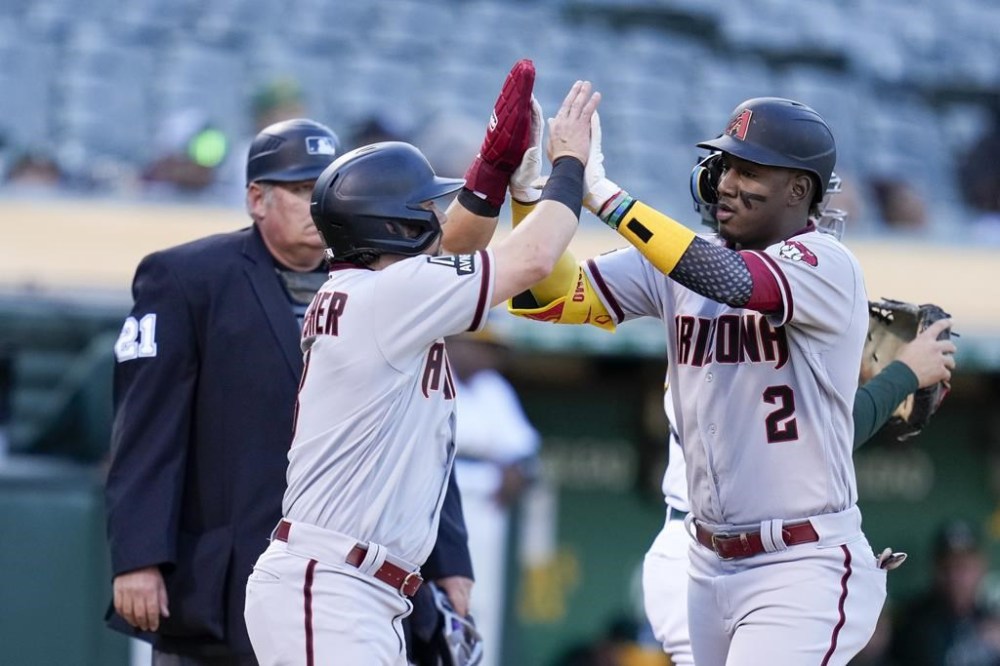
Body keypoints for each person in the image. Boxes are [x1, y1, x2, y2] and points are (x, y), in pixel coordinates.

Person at [506, 96, 890, 665]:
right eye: (726, 165)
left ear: (799, 190)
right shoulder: (685, 259)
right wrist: (533, 198)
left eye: (750, 171)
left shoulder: (826, 263)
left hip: (801, 561)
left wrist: (603, 194)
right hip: (706, 562)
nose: (727, 183)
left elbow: (733, 282)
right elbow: (540, 300)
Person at [242, 80, 601, 665]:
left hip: (354, 586)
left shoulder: (374, 290)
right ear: (395, 226)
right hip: (332, 586)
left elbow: (449, 250)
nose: (435, 218)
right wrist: (566, 167)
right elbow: (534, 257)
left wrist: (490, 171)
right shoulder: (391, 298)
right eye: (423, 210)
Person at [103, 117, 472, 665]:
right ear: (256, 199)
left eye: (324, 187)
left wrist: (450, 559)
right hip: (223, 581)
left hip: (349, 589)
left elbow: (417, 433)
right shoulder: (186, 278)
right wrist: (137, 556)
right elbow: (146, 428)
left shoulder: (386, 283)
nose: (316, 203)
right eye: (301, 190)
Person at [643, 319, 957, 665]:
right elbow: (825, 442)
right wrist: (904, 373)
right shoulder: (742, 323)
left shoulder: (720, 312)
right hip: (715, 557)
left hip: (713, 553)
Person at [446, 328, 541, 666]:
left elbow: (524, 450)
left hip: (484, 507)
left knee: (481, 599)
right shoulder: (433, 376)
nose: (490, 357)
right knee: (439, 597)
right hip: (439, 504)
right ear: (456, 342)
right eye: (482, 348)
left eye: (494, 351)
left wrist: (516, 470)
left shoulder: (493, 389)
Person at [889, 519, 1000, 666]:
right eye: (948, 566)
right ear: (936, 569)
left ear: (981, 567)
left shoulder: (991, 617)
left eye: (964, 567)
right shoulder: (910, 620)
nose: (957, 576)